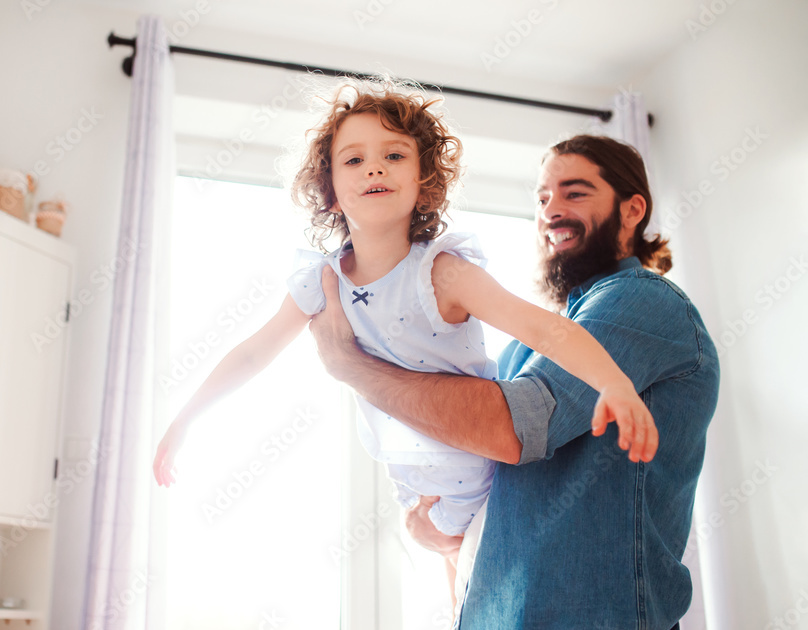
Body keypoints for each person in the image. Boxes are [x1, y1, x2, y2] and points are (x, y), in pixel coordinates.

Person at [152, 82, 658, 609]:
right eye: (354, 159)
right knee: (458, 602)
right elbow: (254, 353)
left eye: (394, 155)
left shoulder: (443, 273)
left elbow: (544, 330)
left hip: (488, 490)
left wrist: (614, 384)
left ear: (424, 181)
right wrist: (186, 419)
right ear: (329, 188)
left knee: (479, 603)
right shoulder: (319, 281)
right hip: (416, 489)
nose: (375, 168)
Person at [308, 132, 720, 629]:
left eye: (575, 192)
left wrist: (350, 364)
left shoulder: (640, 303)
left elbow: (512, 428)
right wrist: (441, 527)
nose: (552, 210)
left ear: (632, 211)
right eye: (542, 198)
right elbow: (478, 471)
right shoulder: (529, 347)